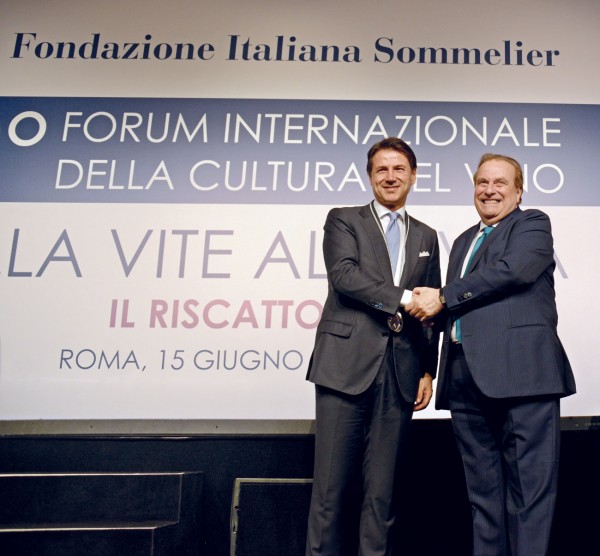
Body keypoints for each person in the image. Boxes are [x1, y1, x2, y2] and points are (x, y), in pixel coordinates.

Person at [406, 153, 576, 556]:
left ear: (519, 192)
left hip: (522, 375)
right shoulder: (463, 241)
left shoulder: (532, 224)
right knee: (482, 497)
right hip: (465, 375)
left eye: (500, 183)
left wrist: (443, 297)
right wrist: (429, 361)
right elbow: (454, 308)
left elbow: (513, 271)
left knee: (529, 496)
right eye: (482, 182)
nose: (489, 190)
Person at [305, 137, 441, 556]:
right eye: (381, 169)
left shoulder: (427, 235)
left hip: (399, 373)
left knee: (381, 497)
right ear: (370, 176)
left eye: (399, 169)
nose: (390, 176)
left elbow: (431, 307)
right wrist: (404, 298)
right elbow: (345, 277)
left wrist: (426, 370)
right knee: (330, 492)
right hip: (344, 367)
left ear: (413, 176)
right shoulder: (343, 219)